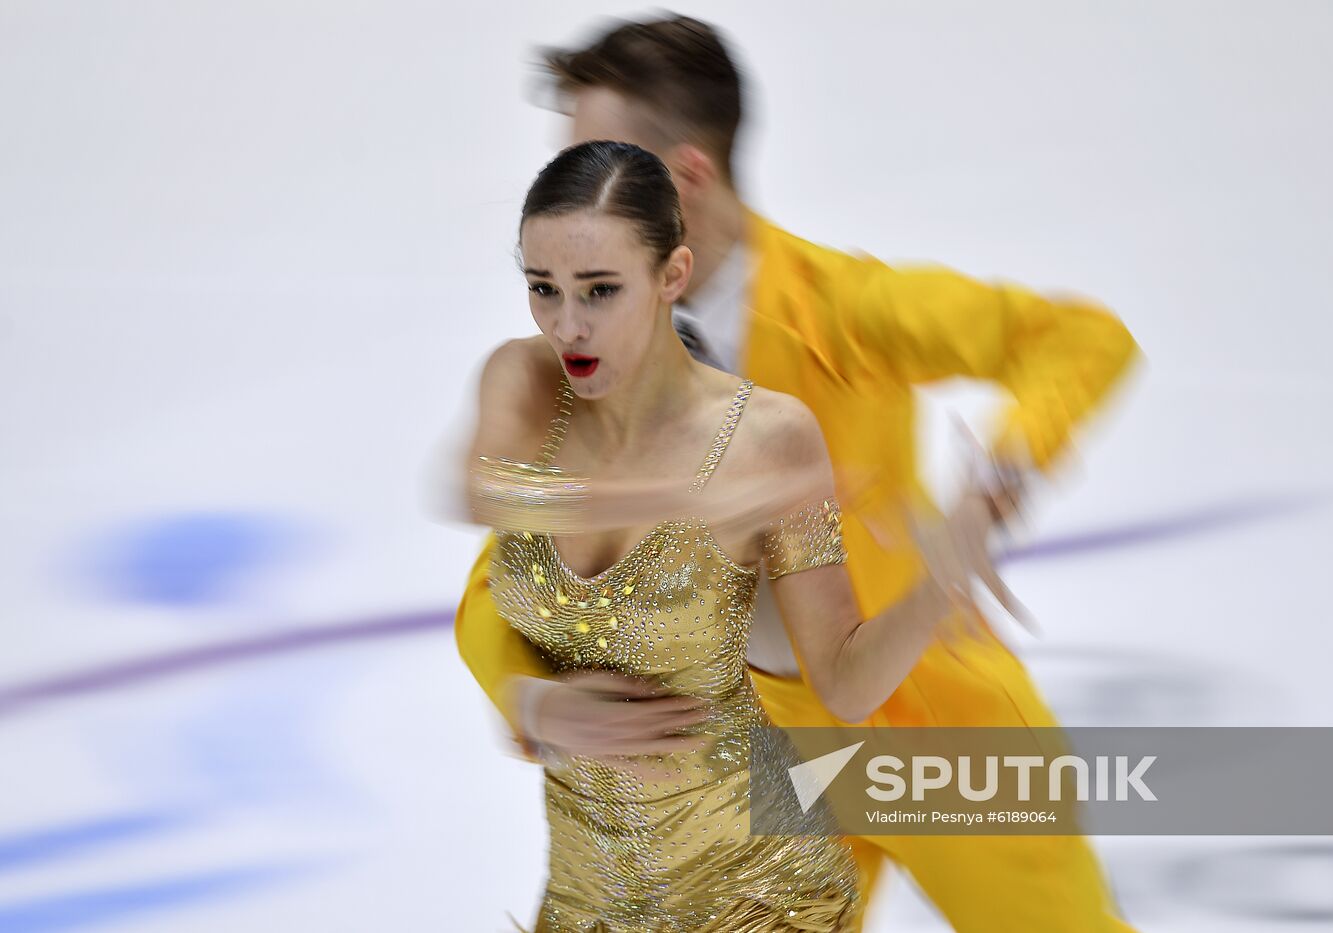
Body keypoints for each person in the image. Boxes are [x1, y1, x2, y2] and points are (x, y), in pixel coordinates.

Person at [454, 15, 1140, 933]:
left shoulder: (844, 311)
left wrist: (994, 485)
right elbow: (506, 573)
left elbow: (1081, 339)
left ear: (687, 175)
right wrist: (532, 696)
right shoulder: (581, 368)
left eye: (598, 161)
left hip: (934, 732)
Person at [472, 138, 990, 933]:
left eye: (601, 290)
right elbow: (482, 491)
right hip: (586, 901)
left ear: (671, 275)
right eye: (543, 288)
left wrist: (936, 589)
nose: (566, 324)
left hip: (761, 896)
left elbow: (845, 680)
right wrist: (535, 701)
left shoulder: (769, 439)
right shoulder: (524, 386)